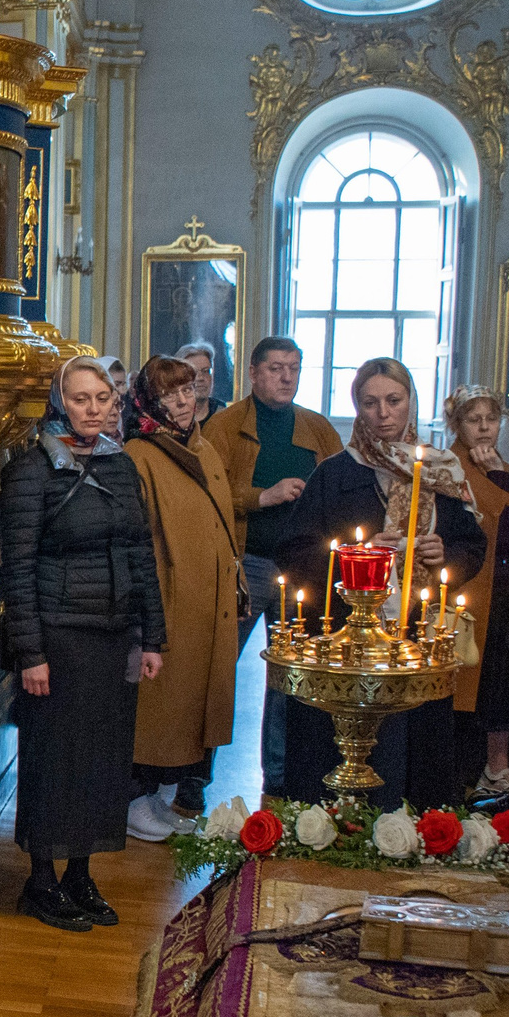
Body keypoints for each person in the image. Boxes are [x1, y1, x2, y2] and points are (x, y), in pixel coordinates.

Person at [272, 359, 485, 808]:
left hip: (414, 638)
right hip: (347, 640)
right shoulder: (336, 473)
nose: (383, 413)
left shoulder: (441, 470)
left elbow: (472, 545)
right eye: (370, 403)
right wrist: (356, 556)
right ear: (357, 408)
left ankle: (409, 828)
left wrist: (445, 554)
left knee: (413, 754)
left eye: (394, 401)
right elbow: (294, 549)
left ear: (410, 402)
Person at [0, 355, 165, 932]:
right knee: (56, 760)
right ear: (58, 401)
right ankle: (41, 879)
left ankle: (80, 873)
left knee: (102, 761)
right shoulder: (31, 469)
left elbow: (141, 555)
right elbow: (15, 568)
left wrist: (152, 637)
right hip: (59, 637)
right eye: (80, 398)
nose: (93, 409)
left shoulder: (121, 465)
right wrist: (31, 653)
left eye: (103, 398)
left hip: (115, 632)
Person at [205, 336, 342, 794]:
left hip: (305, 570)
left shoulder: (319, 429)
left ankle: (280, 783)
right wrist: (263, 496)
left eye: (294, 369)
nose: (287, 378)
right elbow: (207, 494)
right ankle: (190, 781)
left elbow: (340, 491)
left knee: (290, 679)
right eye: (277, 369)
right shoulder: (224, 427)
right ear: (253, 371)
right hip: (246, 564)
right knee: (218, 671)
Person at [122, 356, 244, 840]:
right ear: (149, 400)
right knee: (157, 707)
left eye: (188, 389)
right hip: (169, 598)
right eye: (170, 394)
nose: (182, 401)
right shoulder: (139, 452)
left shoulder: (205, 448)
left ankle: (157, 798)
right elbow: (138, 536)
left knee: (192, 704)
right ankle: (135, 799)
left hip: (208, 600)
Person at [441, 386, 509, 797]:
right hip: (471, 595)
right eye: (474, 420)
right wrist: (495, 479)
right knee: (470, 683)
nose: (485, 427)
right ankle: (463, 775)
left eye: (492, 419)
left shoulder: (507, 467)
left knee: (505, 682)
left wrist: (500, 475)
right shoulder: (449, 467)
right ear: (457, 425)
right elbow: (487, 526)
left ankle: (498, 768)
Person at [179, 339, 228, 417]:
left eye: (205, 371)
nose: (200, 378)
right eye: (193, 372)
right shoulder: (168, 418)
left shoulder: (224, 415)